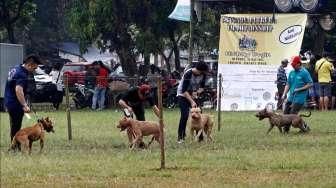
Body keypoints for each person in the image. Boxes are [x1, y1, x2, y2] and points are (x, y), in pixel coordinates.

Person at [4, 54, 42, 145]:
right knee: (16, 127)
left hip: (9, 100)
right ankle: (15, 147)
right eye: (34, 68)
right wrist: (24, 105)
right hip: (15, 103)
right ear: (30, 64)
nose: (34, 71)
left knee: (13, 125)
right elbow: (18, 90)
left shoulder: (16, 68)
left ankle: (14, 145)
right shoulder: (22, 74)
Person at [176, 61, 209, 143]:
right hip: (183, 95)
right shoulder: (188, 73)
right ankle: (181, 137)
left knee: (199, 114)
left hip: (193, 94)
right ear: (199, 70)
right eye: (202, 72)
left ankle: (200, 138)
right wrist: (191, 101)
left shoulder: (203, 74)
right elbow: (184, 90)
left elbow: (202, 87)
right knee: (185, 115)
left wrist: (197, 92)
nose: (203, 74)